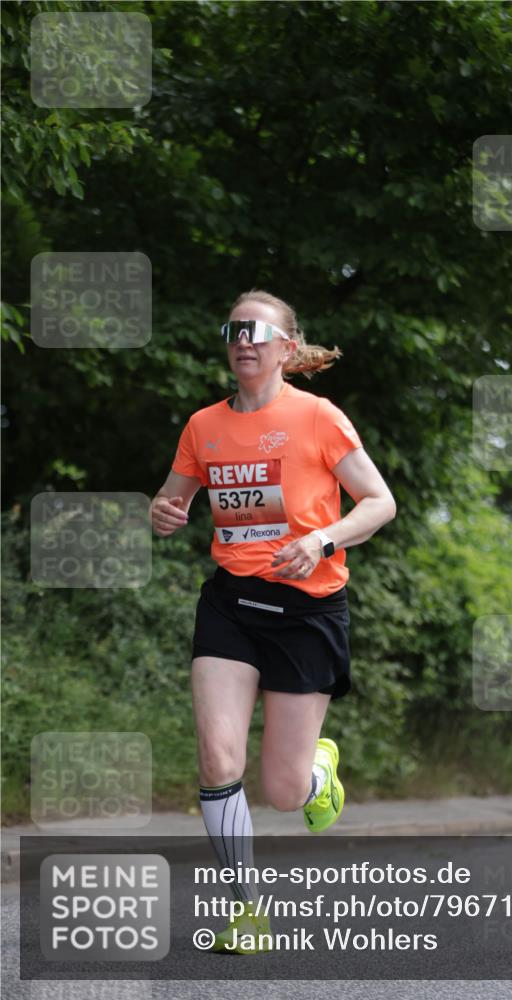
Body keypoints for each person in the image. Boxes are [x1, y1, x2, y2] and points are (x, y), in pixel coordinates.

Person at [150, 288, 396, 953]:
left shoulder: (317, 417)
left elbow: (378, 503)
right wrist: (164, 513)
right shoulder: (203, 426)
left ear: (287, 347)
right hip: (231, 605)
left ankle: (316, 769)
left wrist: (321, 541)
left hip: (306, 610)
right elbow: (172, 500)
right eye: (235, 329)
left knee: (285, 793)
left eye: (258, 331)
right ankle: (247, 912)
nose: (244, 341)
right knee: (216, 756)